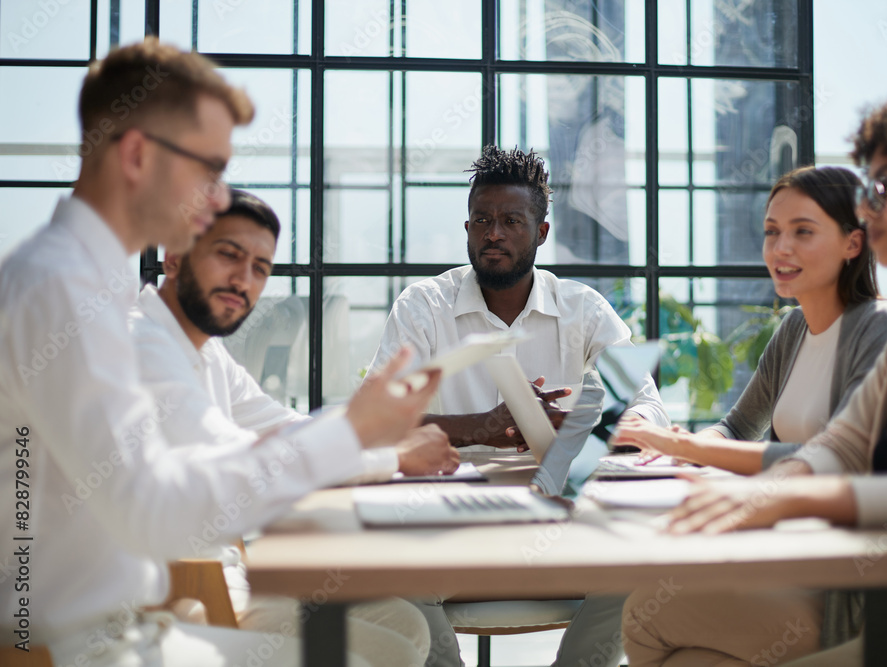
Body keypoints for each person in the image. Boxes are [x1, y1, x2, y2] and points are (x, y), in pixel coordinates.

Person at [0, 38, 439, 667]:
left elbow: (190, 465)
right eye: (209, 170)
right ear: (136, 155)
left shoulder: (85, 283)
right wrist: (352, 436)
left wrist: (357, 436)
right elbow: (151, 509)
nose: (215, 200)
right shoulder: (62, 290)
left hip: (121, 629)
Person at [622, 70, 887, 666]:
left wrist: (788, 500)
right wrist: (769, 494)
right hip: (878, 607)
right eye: (868, 187)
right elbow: (839, 450)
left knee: (650, 617)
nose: (869, 204)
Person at [369, 145, 670, 667]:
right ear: (467, 229)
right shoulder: (424, 307)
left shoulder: (583, 309)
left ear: (542, 233)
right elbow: (376, 421)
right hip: (451, 521)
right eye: (482, 220)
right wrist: (480, 427)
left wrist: (588, 425)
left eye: (511, 221)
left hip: (561, 518)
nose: (494, 234)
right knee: (389, 578)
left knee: (644, 568)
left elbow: (648, 407)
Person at [128, 189, 461, 658]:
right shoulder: (141, 347)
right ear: (175, 257)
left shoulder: (207, 350)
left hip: (228, 580)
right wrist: (391, 454)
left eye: (261, 268)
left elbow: (280, 425)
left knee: (405, 624)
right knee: (391, 651)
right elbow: (245, 465)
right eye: (229, 255)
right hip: (171, 598)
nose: (244, 280)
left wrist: (382, 429)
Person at [613, 166, 887, 478]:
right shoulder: (794, 327)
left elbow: (838, 454)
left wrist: (686, 447)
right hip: (785, 512)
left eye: (803, 231)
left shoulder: (884, 324)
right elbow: (737, 427)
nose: (780, 248)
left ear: (852, 244)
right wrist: (682, 447)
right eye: (772, 232)